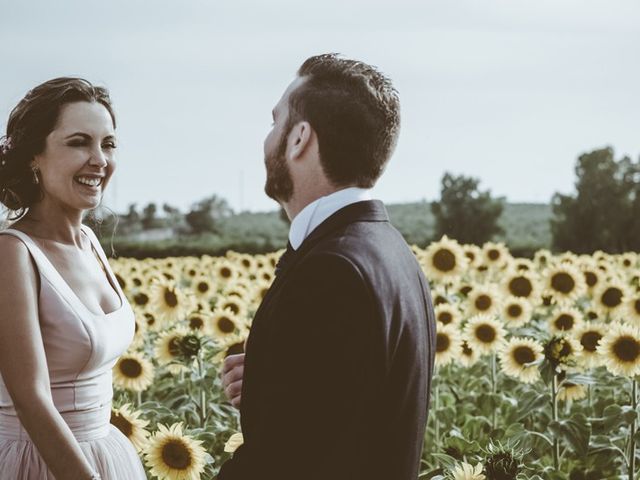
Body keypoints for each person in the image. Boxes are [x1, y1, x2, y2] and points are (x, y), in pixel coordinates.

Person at [219, 54, 436, 480]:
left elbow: (285, 461)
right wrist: (271, 382)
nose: (267, 140)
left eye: (274, 122)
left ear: (299, 138)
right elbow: (345, 411)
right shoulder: (392, 251)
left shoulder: (331, 271)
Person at [0, 78, 146, 479]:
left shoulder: (88, 241)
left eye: (108, 144)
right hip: (44, 463)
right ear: (34, 156)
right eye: (79, 142)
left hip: (105, 451)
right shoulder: (11, 252)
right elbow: (30, 397)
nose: (99, 159)